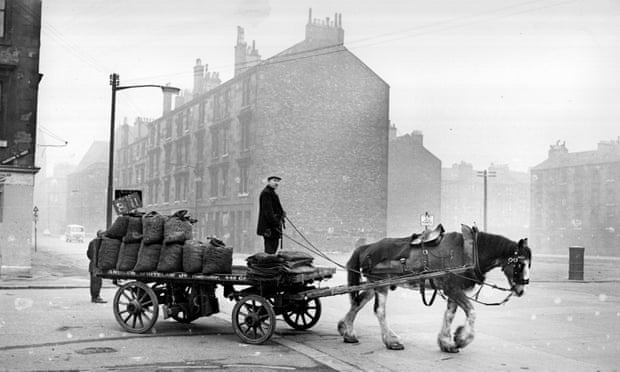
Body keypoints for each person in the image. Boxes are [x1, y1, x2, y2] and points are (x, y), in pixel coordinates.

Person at [256, 175, 286, 254]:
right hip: (269, 228)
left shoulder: (271, 193)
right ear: (269, 182)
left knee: (272, 249)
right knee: (270, 250)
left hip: (272, 228)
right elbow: (268, 212)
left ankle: (269, 264)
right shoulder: (266, 193)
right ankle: (267, 265)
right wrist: (276, 223)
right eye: (274, 180)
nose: (276, 183)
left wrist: (281, 213)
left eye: (278, 181)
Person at [87, 230, 106, 303]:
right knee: (96, 282)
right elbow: (90, 254)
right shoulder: (98, 243)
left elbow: (89, 254)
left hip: (94, 265)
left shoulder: (93, 242)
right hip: (95, 266)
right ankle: (95, 297)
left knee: (96, 282)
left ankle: (95, 296)